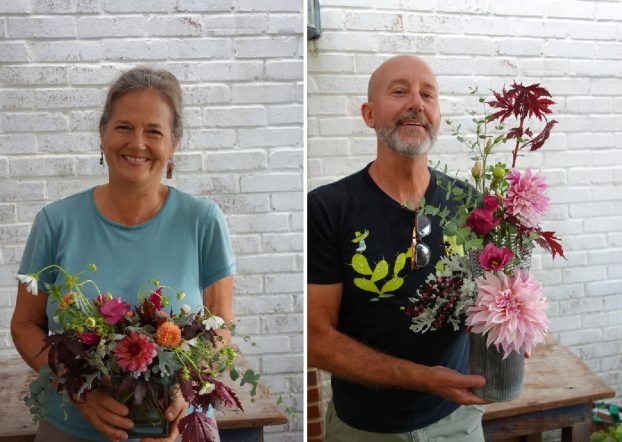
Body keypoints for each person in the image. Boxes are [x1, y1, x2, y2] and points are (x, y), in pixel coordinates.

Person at [11, 67, 235, 442]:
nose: (137, 143)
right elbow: (24, 325)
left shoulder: (202, 220)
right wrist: (76, 388)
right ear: (102, 133)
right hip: (73, 430)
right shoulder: (55, 222)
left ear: (174, 143)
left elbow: (222, 324)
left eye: (153, 131)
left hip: (177, 430)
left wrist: (185, 391)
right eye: (123, 127)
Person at [307, 55, 489, 441]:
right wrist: (424, 379)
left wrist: (510, 330)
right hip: (365, 429)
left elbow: (486, 302)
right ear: (369, 114)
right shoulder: (327, 208)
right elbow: (316, 340)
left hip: (458, 423)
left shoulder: (469, 204)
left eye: (428, 94)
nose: (416, 104)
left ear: (437, 115)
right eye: (399, 91)